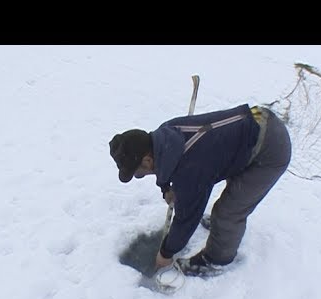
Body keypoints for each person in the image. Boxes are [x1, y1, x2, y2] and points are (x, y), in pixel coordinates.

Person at [109, 104, 291, 277]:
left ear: (148, 160)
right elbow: (165, 166)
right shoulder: (165, 135)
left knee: (227, 213)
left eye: (139, 172)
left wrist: (166, 253)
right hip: (251, 125)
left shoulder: (190, 169)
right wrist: (166, 188)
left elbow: (187, 219)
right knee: (221, 181)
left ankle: (216, 260)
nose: (141, 175)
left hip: (270, 149)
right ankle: (221, 230)